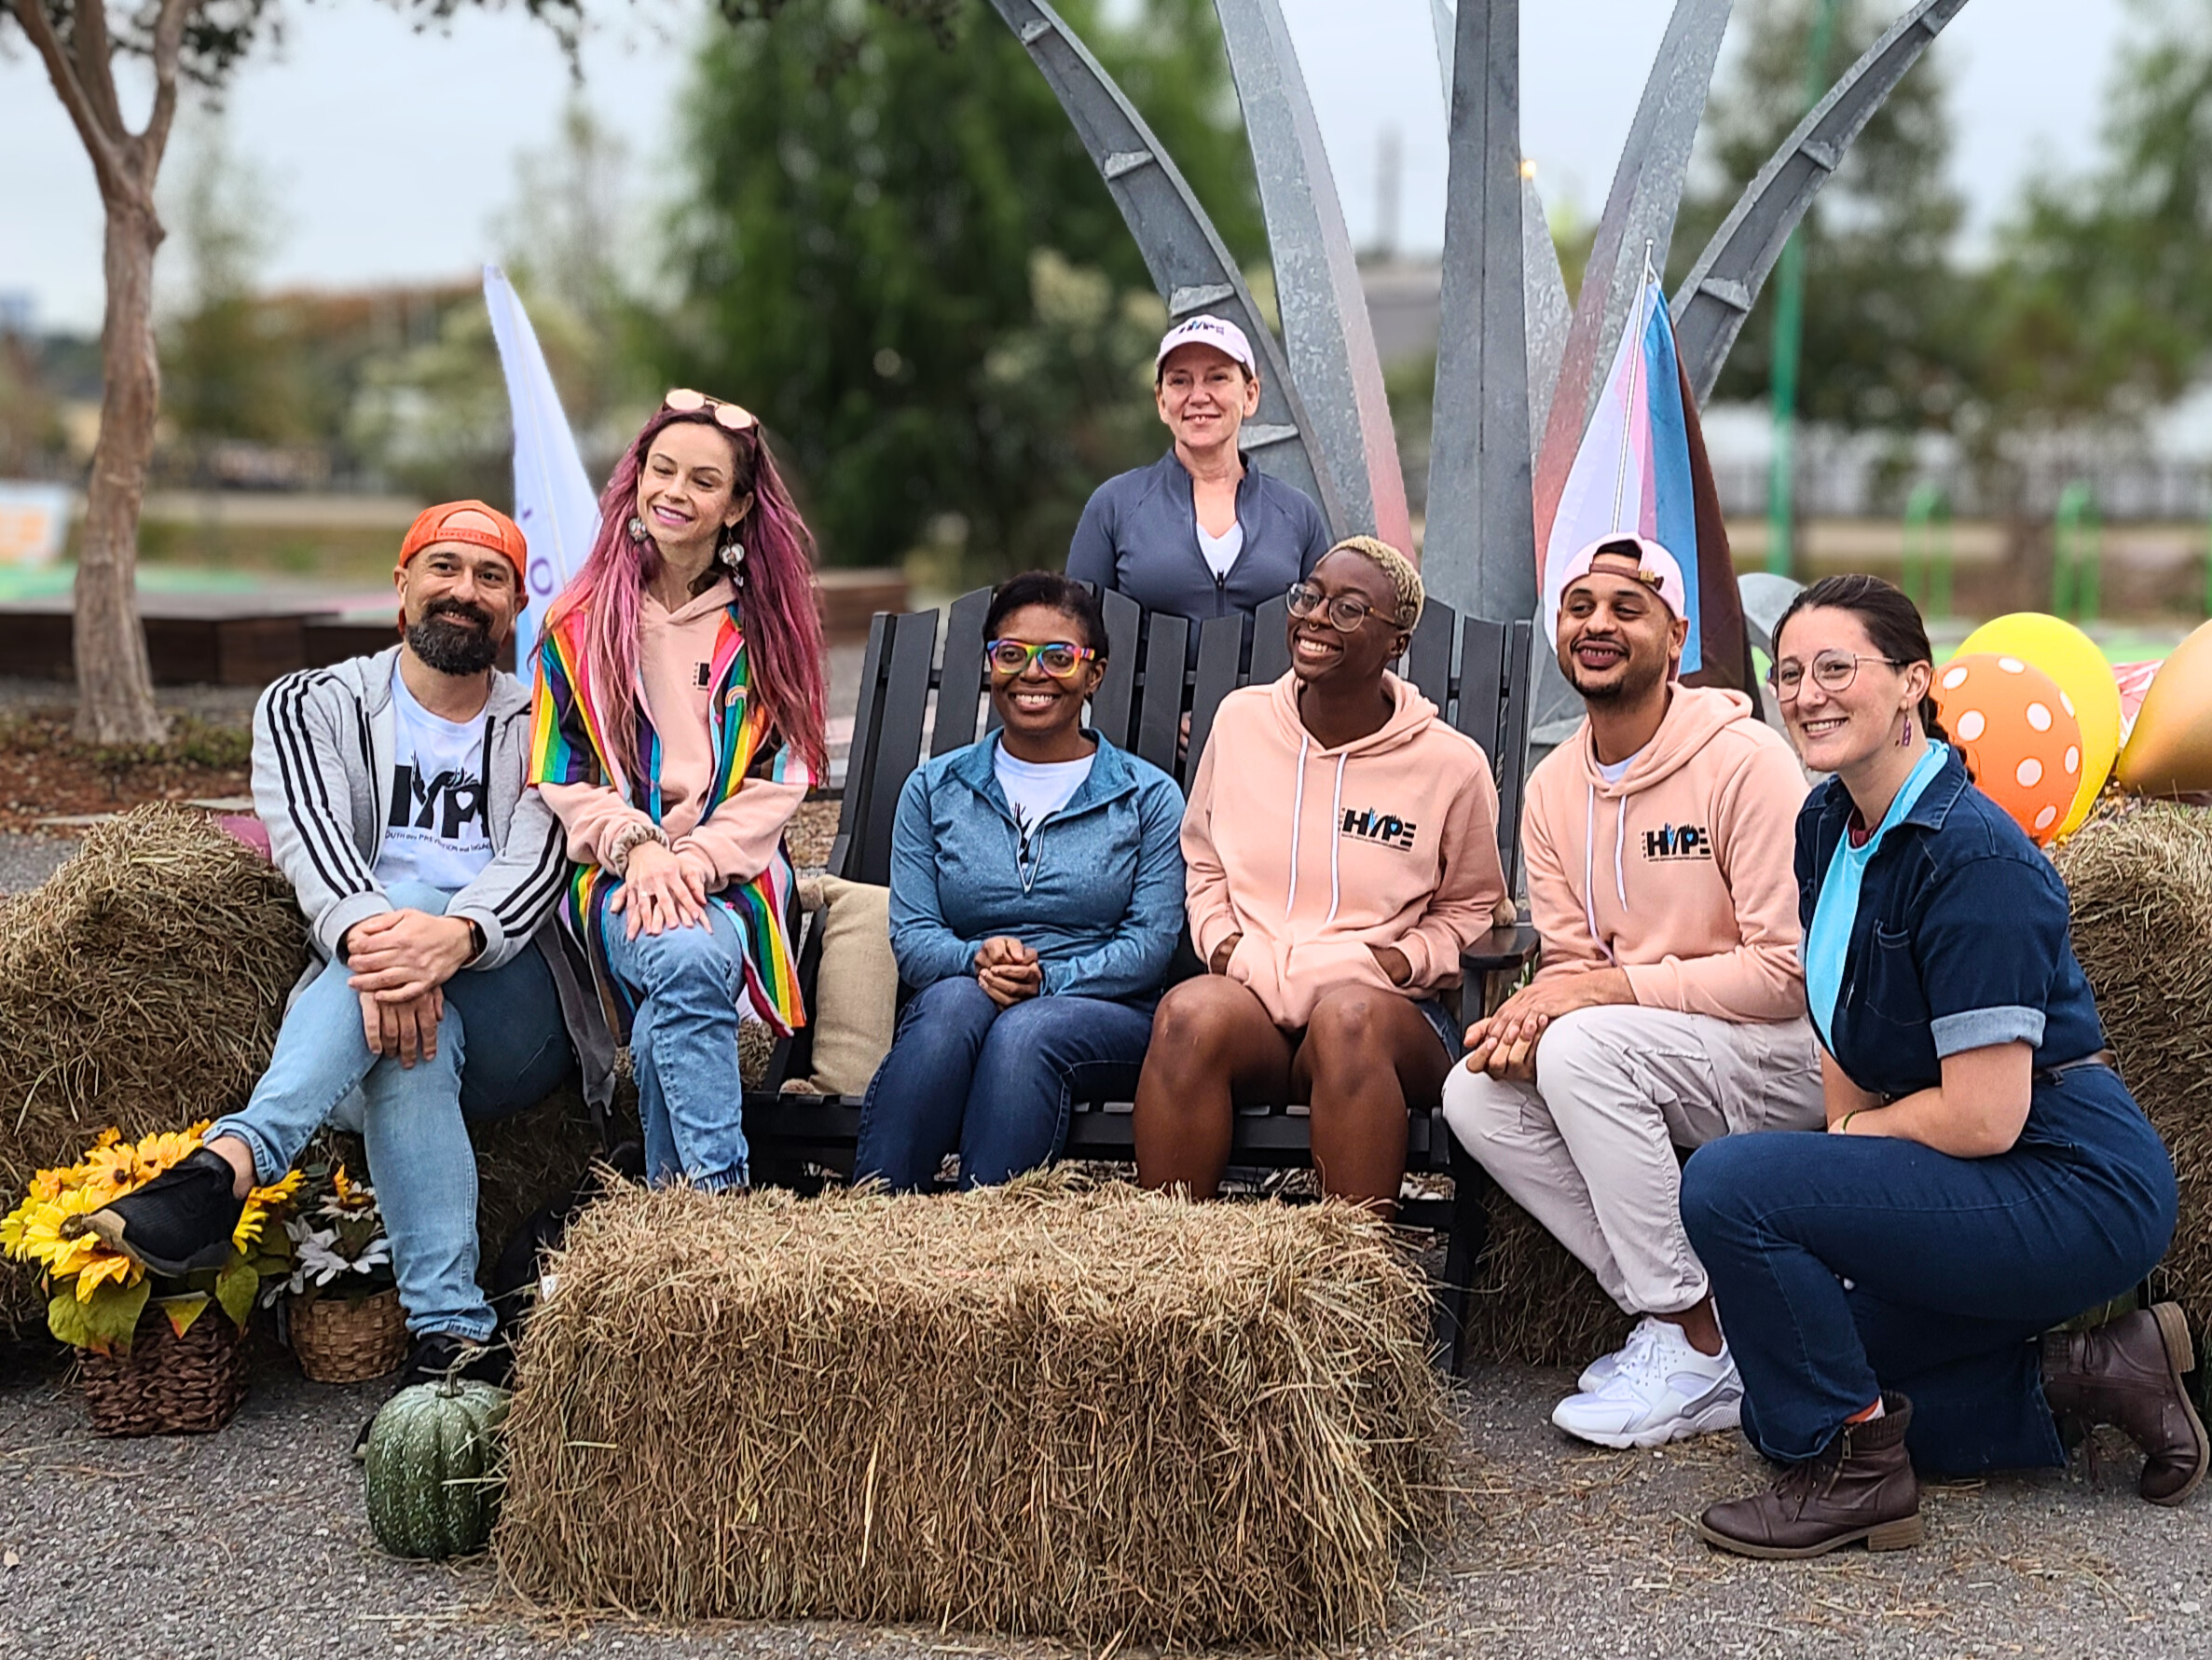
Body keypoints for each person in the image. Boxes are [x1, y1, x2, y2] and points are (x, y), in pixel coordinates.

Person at [1683, 574, 2202, 1560]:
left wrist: (1843, 1149)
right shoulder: (1825, 823)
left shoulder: (1977, 859)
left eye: (1836, 667)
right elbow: (1839, 1022)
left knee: (1728, 1186)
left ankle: (1860, 1480)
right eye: (1787, 673)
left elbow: (1985, 1115)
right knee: (1784, 1403)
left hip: (2071, 1177)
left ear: (1913, 682)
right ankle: (2094, 1373)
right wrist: (1844, 1168)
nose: (1806, 693)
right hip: (1978, 1165)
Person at [87, 500, 578, 1402]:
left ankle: (227, 1167)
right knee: (408, 1041)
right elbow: (312, 846)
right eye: (444, 567)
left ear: (514, 608)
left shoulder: (547, 719)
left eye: (491, 577)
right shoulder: (309, 703)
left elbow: (538, 861)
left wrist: (448, 937)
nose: (464, 590)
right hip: (368, 1008)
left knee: (416, 914)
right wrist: (392, 953)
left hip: (515, 1008)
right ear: (402, 584)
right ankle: (451, 1334)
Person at [1440, 536, 1823, 1449]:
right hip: (1648, 1050)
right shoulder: (1551, 788)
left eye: (1626, 607)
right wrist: (1528, 1020)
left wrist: (1598, 994)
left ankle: (1697, 1349)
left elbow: (1785, 974)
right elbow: (1570, 964)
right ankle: (1693, 1317)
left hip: (1786, 1055)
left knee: (1581, 1045)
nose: (1597, 625)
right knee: (1475, 1091)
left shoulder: (1747, 761)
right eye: (1579, 607)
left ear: (1676, 635)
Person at [1133, 537, 1508, 1211]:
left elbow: (1475, 906)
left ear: (1395, 643)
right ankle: (1174, 1261)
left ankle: (1353, 1267)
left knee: (1347, 1022)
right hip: (1254, 995)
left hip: (1386, 1013)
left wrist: (1401, 961)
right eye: (1309, 596)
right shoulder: (1241, 722)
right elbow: (1204, 856)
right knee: (1187, 1015)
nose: (1314, 617)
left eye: (1347, 609)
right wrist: (1223, 945)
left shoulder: (1451, 764)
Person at [531, 389, 829, 1192]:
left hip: (734, 877)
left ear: (737, 507)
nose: (674, 491)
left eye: (703, 480)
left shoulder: (769, 628)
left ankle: (681, 1201)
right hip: (613, 872)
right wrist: (637, 847)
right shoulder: (578, 623)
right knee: (687, 957)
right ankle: (717, 1195)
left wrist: (692, 861)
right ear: (635, 480)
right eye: (661, 470)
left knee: (687, 960)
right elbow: (563, 769)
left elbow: (779, 777)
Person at [853, 573, 1185, 1191]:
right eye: (1011, 654)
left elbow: (1149, 946)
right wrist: (976, 959)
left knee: (1025, 1029)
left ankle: (989, 1228)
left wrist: (1045, 980)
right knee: (950, 1005)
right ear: (990, 665)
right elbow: (914, 937)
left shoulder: (1146, 798)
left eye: (1059, 657)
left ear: (1094, 674)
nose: (1033, 673)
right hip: (965, 992)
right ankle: (878, 1212)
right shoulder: (934, 789)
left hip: (1107, 1012)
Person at [1066, 313, 1330, 622]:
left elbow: (1323, 628)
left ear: (1250, 395)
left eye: (1217, 378)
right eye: (1180, 381)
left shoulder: (1297, 513)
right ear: (1162, 402)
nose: (1198, 396)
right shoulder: (1114, 506)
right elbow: (1073, 627)